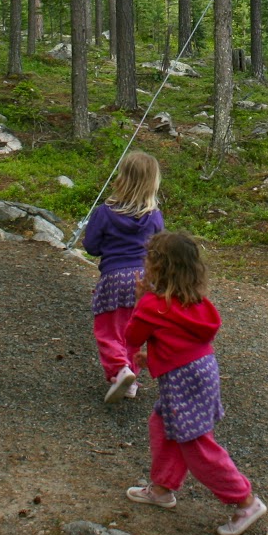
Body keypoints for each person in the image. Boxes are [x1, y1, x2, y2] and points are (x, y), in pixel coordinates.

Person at [121, 231, 268, 535]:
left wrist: (140, 301)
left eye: (148, 259)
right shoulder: (194, 302)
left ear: (159, 267)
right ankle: (162, 488)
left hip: (181, 380)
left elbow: (132, 337)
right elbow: (181, 340)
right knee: (163, 424)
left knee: (196, 445)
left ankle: (245, 500)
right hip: (202, 371)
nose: (144, 263)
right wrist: (157, 356)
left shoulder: (152, 305)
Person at [82, 151, 165, 402]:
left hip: (114, 278)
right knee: (135, 331)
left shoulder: (104, 213)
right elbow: (159, 248)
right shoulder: (154, 216)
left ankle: (120, 370)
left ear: (122, 178)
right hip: (144, 280)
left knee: (109, 329)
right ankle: (130, 379)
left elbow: (92, 246)